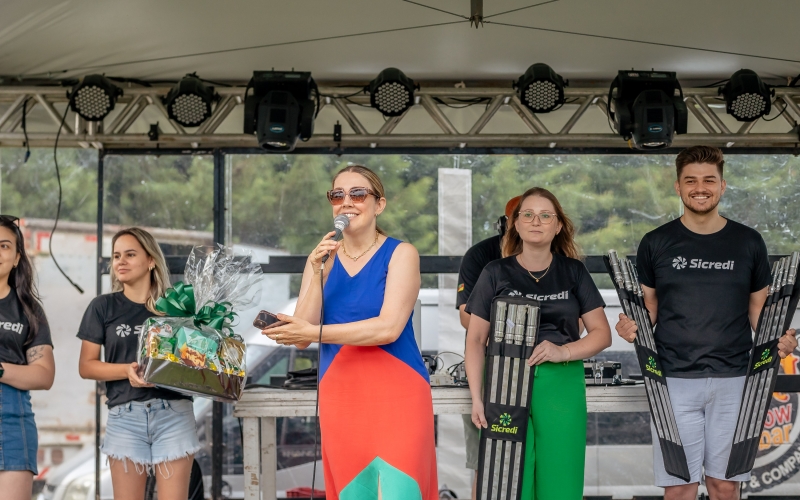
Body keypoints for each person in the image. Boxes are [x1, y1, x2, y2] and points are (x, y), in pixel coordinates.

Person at [616, 145, 798, 500]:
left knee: (725, 486)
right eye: (691, 181)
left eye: (709, 180)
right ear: (678, 186)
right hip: (673, 381)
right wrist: (629, 327)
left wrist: (782, 339)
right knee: (679, 488)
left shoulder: (748, 242)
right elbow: (649, 310)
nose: (700, 188)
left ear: (722, 185)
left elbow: (760, 313)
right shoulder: (655, 242)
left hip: (735, 380)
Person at [263, 165, 438, 500]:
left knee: (401, 491)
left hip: (398, 393)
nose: (347, 202)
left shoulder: (401, 253)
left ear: (379, 204)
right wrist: (316, 271)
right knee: (352, 492)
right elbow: (302, 335)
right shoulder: (321, 259)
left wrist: (315, 331)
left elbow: (388, 328)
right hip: (341, 394)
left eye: (358, 194)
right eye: (337, 195)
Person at [465, 187, 611, 500]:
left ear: (558, 226)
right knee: (509, 483)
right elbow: (475, 340)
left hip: (561, 382)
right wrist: (477, 398)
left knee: (561, 480)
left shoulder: (574, 271)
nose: (536, 221)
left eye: (546, 215)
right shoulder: (495, 272)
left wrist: (564, 351)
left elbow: (602, 333)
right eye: (528, 214)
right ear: (515, 224)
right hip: (504, 382)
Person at [77, 228, 200, 500]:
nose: (120, 261)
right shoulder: (102, 307)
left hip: (174, 414)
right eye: (116, 256)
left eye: (130, 254)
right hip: (125, 416)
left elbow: (195, 361)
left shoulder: (175, 306)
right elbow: (86, 366)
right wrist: (126, 370)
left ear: (151, 260)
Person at [456, 195, 520, 500]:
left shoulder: (560, 259)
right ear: (505, 224)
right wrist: (518, 332)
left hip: (542, 366)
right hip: (490, 365)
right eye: (523, 217)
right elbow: (465, 316)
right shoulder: (481, 256)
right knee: (487, 463)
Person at [0, 215, 55, 500]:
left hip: (12, 420)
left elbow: (44, 375)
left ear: (17, 257)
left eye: (4, 246)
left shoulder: (29, 310)